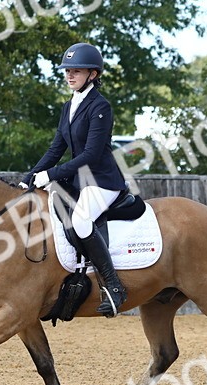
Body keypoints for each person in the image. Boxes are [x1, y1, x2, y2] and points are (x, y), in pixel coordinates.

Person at [21, 42, 128, 317]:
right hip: (79, 181)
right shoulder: (69, 106)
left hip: (102, 181)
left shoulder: (100, 106)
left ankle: (114, 286)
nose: (69, 76)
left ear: (92, 74)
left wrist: (52, 174)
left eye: (76, 72)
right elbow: (56, 148)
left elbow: (91, 154)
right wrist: (31, 176)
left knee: (80, 220)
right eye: (67, 71)